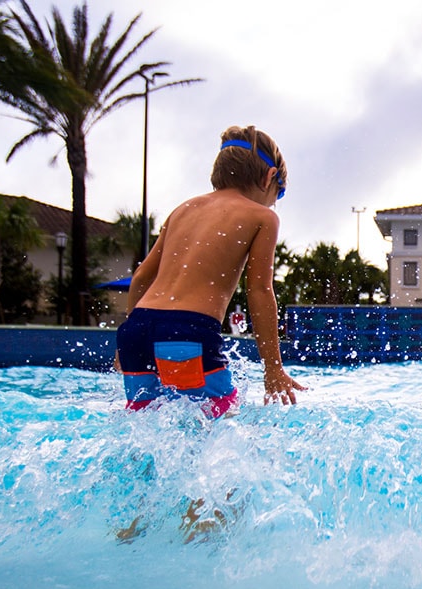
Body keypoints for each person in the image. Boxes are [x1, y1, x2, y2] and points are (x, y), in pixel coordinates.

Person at [116, 125, 305, 416]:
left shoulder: (183, 209)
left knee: (144, 419)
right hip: (187, 332)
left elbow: (141, 277)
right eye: (278, 194)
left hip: (136, 330)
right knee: (225, 418)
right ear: (269, 177)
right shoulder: (262, 217)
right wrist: (273, 368)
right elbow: (259, 290)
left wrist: (124, 344)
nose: (274, 204)